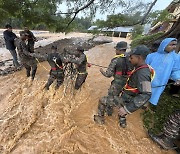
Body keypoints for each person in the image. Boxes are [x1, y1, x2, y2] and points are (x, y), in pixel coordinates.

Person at [94, 45, 154, 128]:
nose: (129, 60)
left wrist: (127, 109)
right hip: (127, 96)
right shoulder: (141, 68)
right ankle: (122, 123)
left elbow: (146, 94)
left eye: (131, 58)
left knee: (102, 100)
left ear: (139, 58)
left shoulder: (142, 73)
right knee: (120, 108)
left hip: (127, 100)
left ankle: (100, 120)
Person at [99, 41, 132, 116]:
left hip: (117, 84)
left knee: (110, 99)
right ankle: (116, 115)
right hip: (126, 84)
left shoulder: (116, 60)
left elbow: (108, 74)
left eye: (116, 49)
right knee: (118, 98)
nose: (115, 51)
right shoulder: (130, 58)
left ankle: (106, 115)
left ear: (120, 50)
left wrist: (102, 71)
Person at [146, 38, 180, 106]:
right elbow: (144, 68)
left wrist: (178, 78)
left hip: (161, 81)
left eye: (175, 45)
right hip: (148, 79)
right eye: (172, 44)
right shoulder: (151, 56)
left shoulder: (175, 58)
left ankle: (147, 104)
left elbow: (175, 70)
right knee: (144, 90)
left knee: (155, 93)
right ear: (164, 45)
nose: (174, 47)